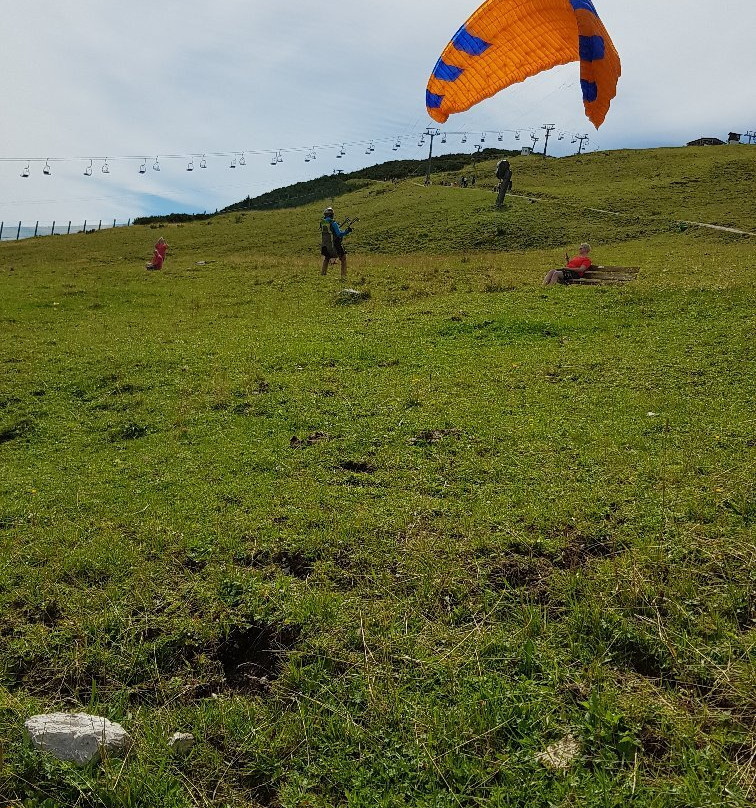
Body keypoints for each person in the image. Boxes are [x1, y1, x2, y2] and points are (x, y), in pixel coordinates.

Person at [320, 207, 352, 278]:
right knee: (343, 258)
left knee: (327, 258)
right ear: (332, 215)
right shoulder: (333, 223)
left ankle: (323, 274)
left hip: (325, 245)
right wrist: (347, 231)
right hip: (335, 244)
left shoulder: (322, 223)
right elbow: (339, 234)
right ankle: (343, 276)